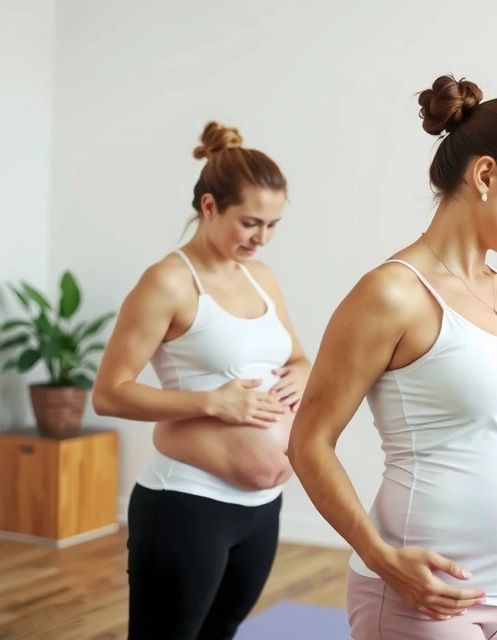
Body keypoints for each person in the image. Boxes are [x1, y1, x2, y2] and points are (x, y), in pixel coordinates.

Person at [286, 75, 497, 640]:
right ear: (488, 175)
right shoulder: (392, 294)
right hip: (425, 601)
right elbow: (309, 440)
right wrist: (377, 555)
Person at [91, 121, 310, 640]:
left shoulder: (262, 276)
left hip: (262, 507)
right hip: (187, 504)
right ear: (210, 206)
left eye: (274, 224)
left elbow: (298, 357)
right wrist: (213, 403)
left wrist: (302, 375)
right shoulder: (168, 282)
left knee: (221, 633)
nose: (263, 238)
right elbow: (109, 392)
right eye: (251, 222)